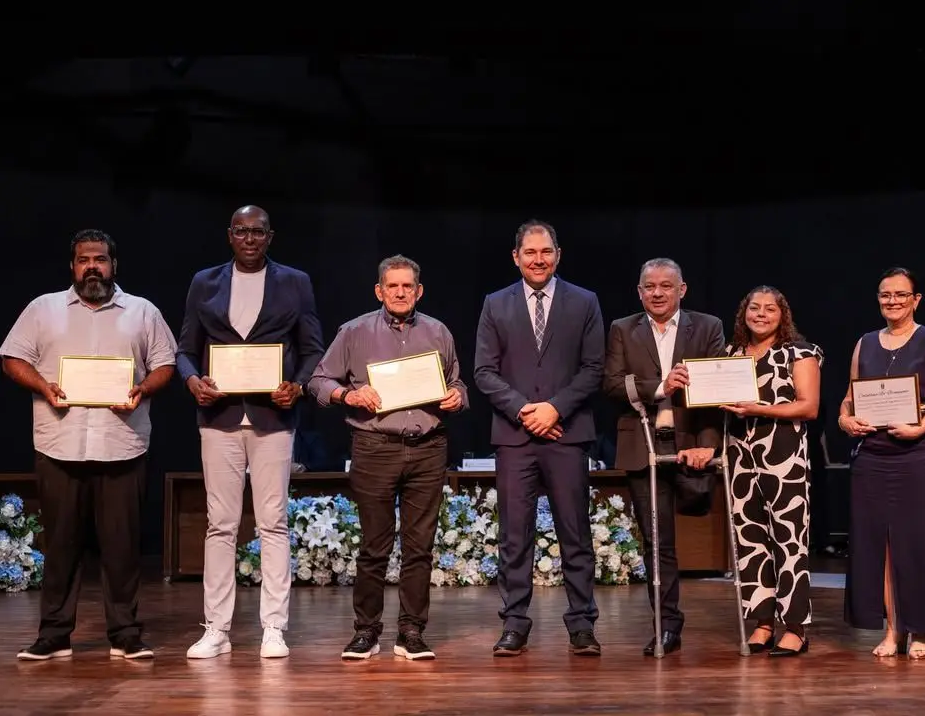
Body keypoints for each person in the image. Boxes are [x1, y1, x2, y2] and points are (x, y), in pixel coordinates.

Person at [1, 229, 176, 661]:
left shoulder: (143, 311)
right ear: (73, 266)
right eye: (83, 260)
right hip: (60, 444)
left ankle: (125, 633)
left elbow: (165, 364)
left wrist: (141, 390)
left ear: (114, 265)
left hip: (122, 444)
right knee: (60, 544)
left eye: (100, 259)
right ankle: (55, 634)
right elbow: (11, 358)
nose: (92, 267)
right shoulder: (43, 309)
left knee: (122, 546)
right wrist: (43, 385)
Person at [177, 205, 325, 659]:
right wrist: (191, 381)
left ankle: (273, 628)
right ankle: (216, 629)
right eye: (241, 231)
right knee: (220, 525)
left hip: (273, 420)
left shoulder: (295, 282)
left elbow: (312, 349)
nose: (249, 238)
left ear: (270, 236)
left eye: (258, 231)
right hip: (219, 419)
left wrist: (297, 387)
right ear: (229, 235)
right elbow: (185, 349)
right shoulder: (204, 281)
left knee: (273, 523)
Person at [307, 255, 468, 661]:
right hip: (375, 447)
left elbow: (456, 381)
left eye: (407, 286)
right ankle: (366, 631)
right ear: (379, 291)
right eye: (392, 286)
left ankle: (411, 632)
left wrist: (457, 396)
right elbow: (318, 381)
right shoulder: (355, 331)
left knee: (420, 548)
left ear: (419, 291)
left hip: (429, 448)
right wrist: (349, 395)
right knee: (375, 546)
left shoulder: (438, 331)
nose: (400, 292)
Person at [474, 218, 605, 657]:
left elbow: (593, 369)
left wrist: (555, 408)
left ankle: (582, 624)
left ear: (558, 255)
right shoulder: (495, 303)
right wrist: (525, 411)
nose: (538, 259)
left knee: (575, 531)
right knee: (514, 535)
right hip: (515, 437)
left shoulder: (584, 302)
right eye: (529, 252)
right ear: (516, 257)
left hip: (567, 434)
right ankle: (514, 623)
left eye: (545, 252)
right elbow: (484, 372)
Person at [842, 267, 925, 659]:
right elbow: (849, 398)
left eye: (901, 295)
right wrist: (845, 419)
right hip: (875, 456)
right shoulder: (864, 342)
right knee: (881, 545)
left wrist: (920, 428)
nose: (892, 301)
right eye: (885, 295)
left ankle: (923, 631)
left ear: (916, 300)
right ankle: (894, 629)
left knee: (924, 541)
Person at [602, 257, 725, 656]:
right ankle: (667, 626)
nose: (657, 293)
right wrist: (660, 386)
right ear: (639, 292)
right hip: (644, 446)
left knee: (695, 521)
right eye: (649, 286)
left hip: (693, 444)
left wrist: (709, 444)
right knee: (657, 542)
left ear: (681, 289)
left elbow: (715, 391)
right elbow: (612, 385)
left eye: (666, 286)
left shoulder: (707, 327)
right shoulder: (622, 329)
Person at [720, 286, 822, 657]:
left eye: (770, 309)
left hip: (785, 458)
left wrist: (759, 409)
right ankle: (762, 622)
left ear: (783, 315)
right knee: (750, 542)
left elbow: (809, 407)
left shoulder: (801, 352)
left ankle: (795, 626)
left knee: (789, 541)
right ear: (743, 313)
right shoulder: (730, 355)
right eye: (754, 308)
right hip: (739, 457)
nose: (761, 314)